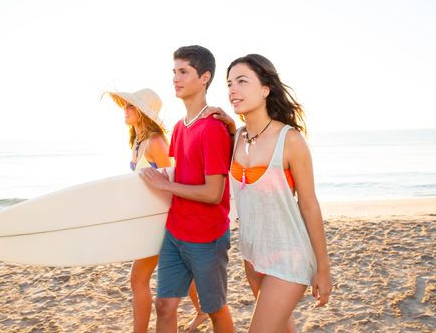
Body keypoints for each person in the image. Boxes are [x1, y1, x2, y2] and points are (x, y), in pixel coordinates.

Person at [205, 54, 332, 332]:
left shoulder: (291, 140)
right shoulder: (236, 138)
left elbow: (309, 205)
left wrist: (323, 268)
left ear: (265, 89)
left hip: (289, 255)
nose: (232, 90)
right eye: (229, 83)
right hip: (253, 256)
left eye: (242, 81)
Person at [139, 45, 234, 333]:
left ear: (204, 77)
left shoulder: (213, 128)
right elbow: (184, 174)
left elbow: (212, 193)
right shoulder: (179, 128)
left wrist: (166, 185)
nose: (176, 79)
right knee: (164, 306)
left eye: (184, 72)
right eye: (174, 72)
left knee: (214, 310)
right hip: (175, 232)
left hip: (206, 236)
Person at [104, 88, 208, 332]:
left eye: (130, 107)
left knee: (138, 279)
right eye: (125, 106)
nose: (125, 110)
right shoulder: (138, 141)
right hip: (149, 219)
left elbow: (172, 181)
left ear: (142, 113)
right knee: (185, 268)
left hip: (162, 220)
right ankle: (203, 311)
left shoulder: (155, 142)